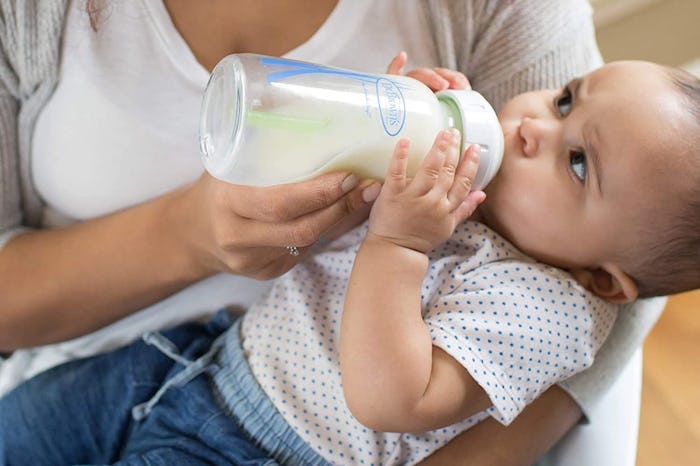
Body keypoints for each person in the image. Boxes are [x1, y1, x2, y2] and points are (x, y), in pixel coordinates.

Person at [0, 0, 665, 464]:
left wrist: (399, 242)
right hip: (180, 360)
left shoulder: (544, 308)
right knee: (21, 431)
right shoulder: (482, 211)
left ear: (601, 279)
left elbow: (388, 396)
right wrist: (398, 127)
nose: (531, 124)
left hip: (256, 447)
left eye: (578, 161)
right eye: (565, 98)